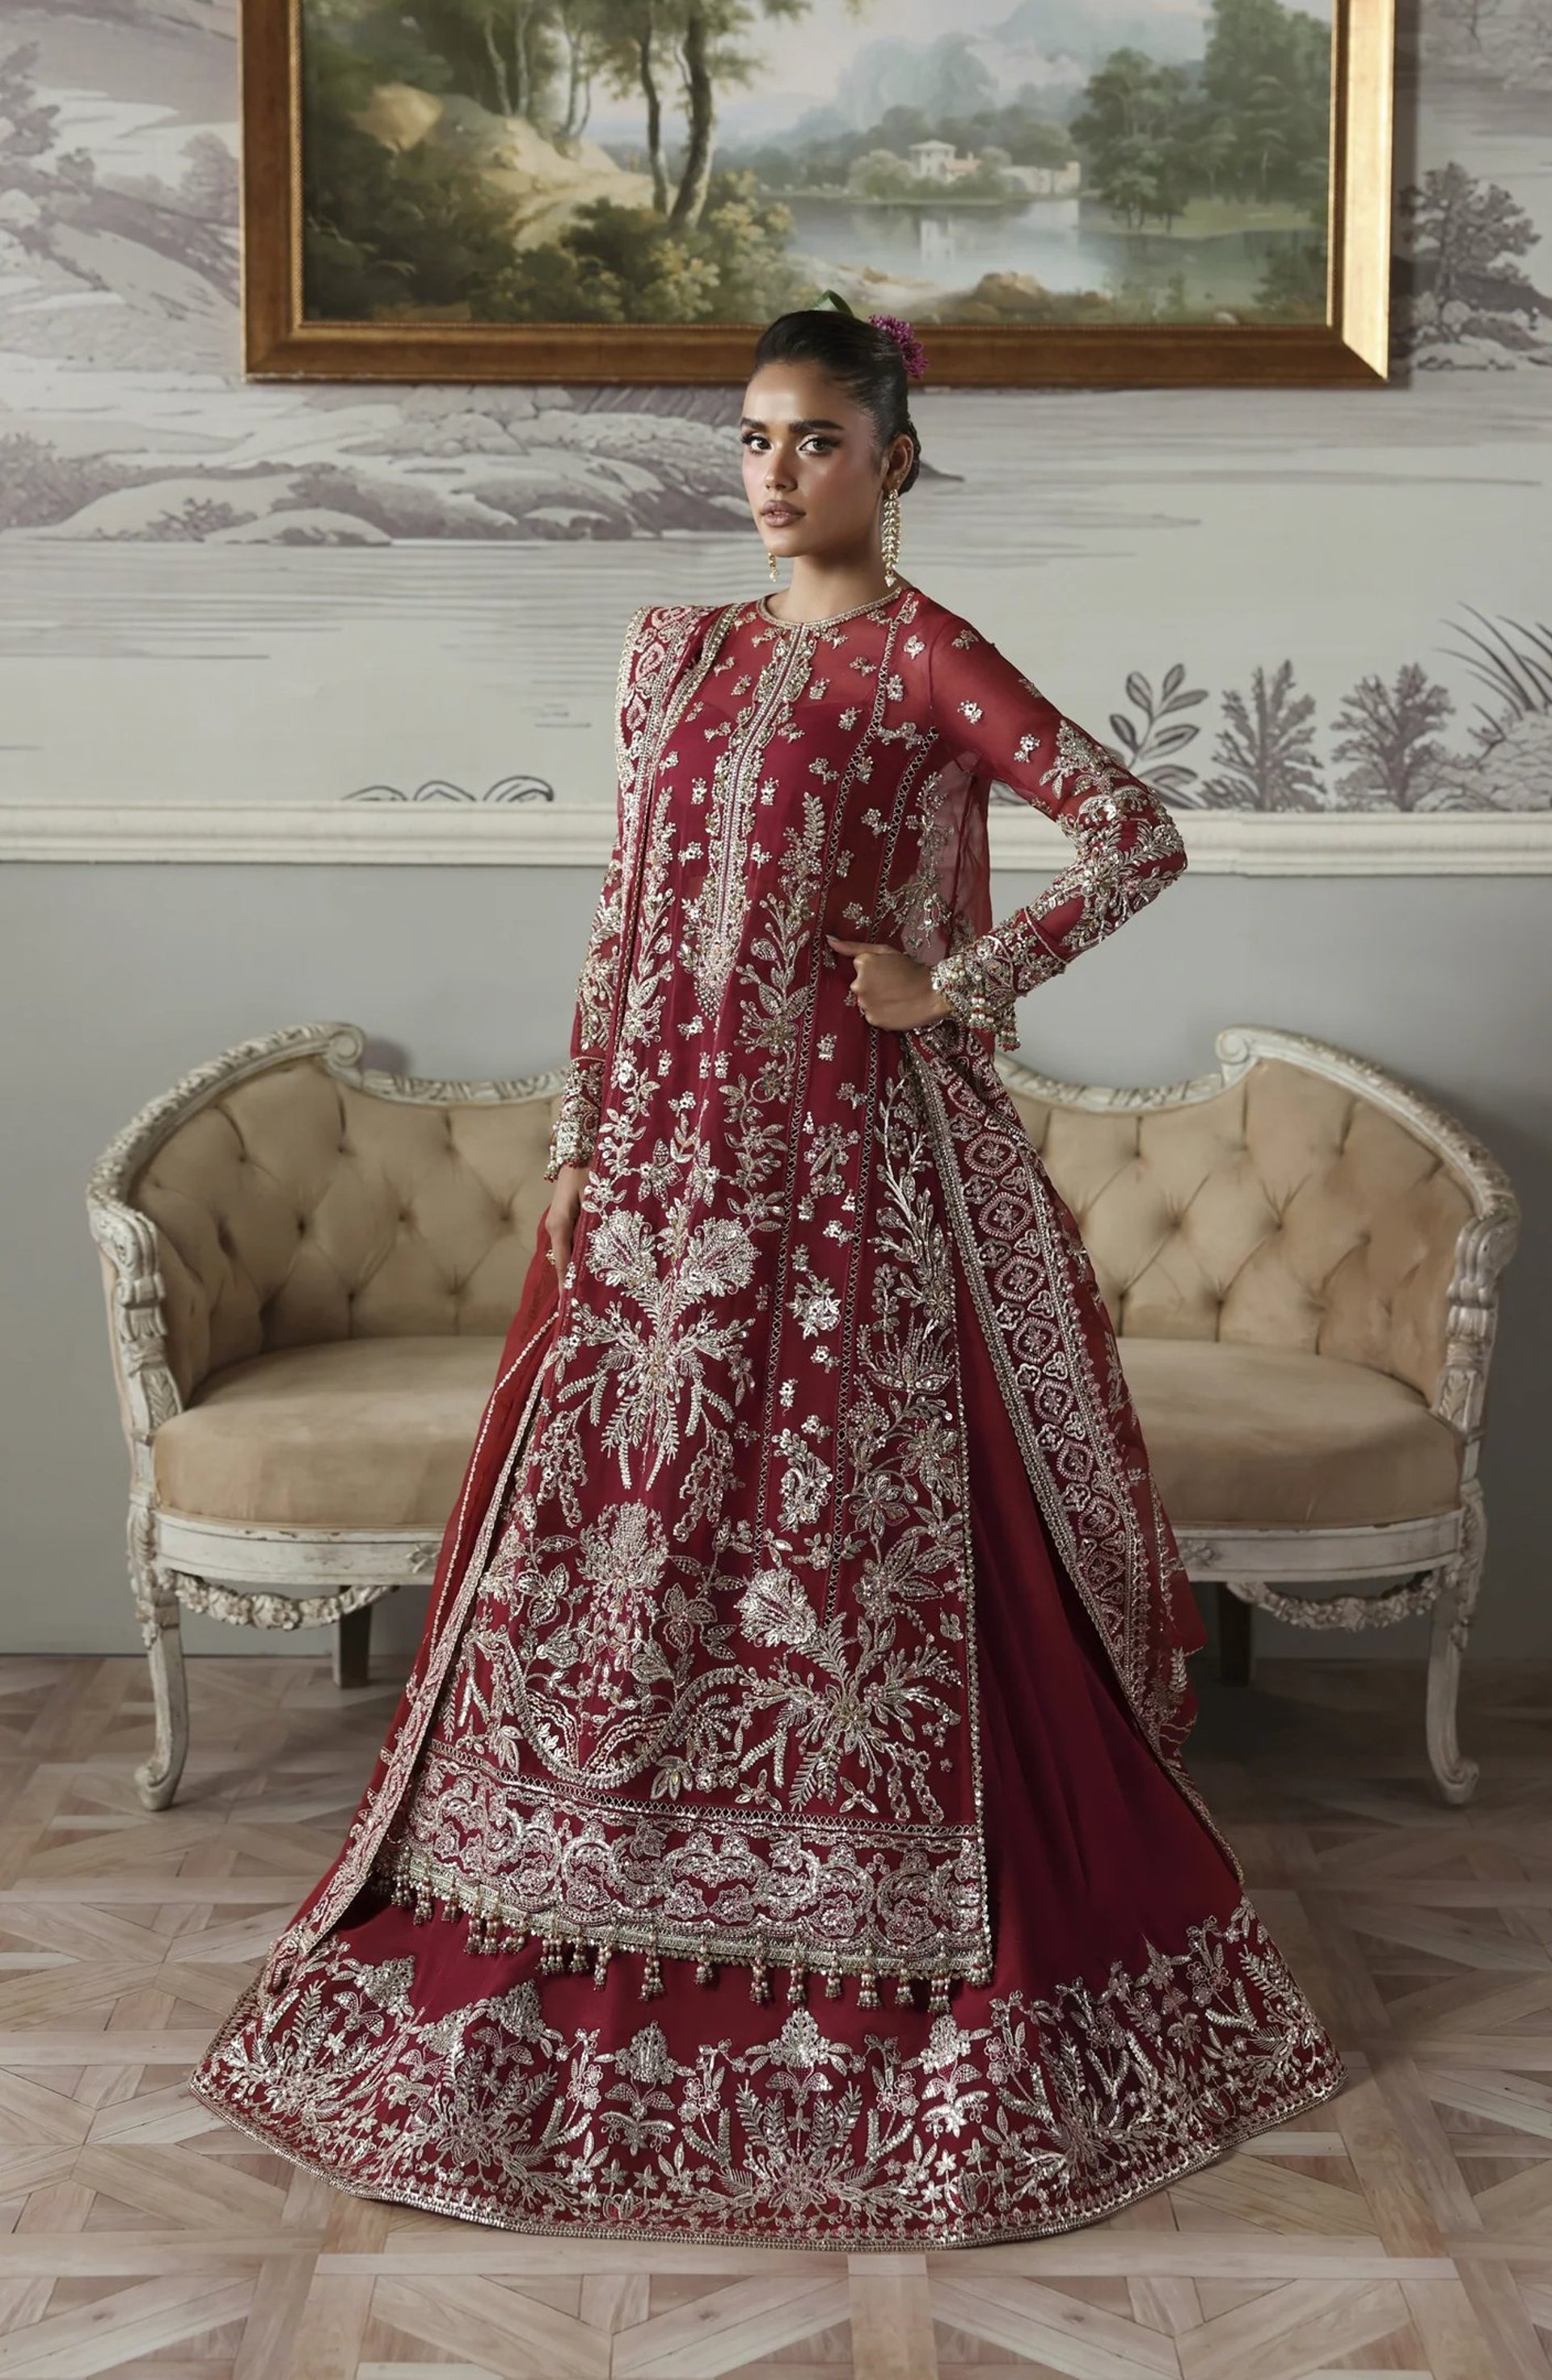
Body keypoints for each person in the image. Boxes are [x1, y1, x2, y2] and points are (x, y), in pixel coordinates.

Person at [188, 302, 1344, 2246]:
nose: (774, 475)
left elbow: (1133, 836)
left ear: (896, 460)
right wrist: (584, 1136)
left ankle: (864, 1908)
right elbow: (626, 911)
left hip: (846, 1173)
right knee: (622, 1528)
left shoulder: (925, 654)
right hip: (662, 1170)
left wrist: (955, 983)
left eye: (814, 440)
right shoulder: (678, 653)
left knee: (840, 1535)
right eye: (750, 438)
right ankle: (582, 1874)